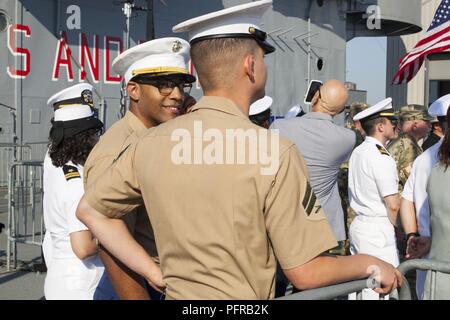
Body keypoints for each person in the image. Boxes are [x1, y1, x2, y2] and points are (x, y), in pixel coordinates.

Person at [77, 0, 401, 300]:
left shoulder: (148, 144)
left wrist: (153, 271)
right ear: (250, 66)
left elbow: (91, 211)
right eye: (262, 57)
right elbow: (306, 272)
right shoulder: (275, 152)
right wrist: (370, 263)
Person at [83, 38, 195, 300]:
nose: (177, 94)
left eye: (180, 84)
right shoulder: (117, 151)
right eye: (164, 85)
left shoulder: (157, 137)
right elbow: (111, 245)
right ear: (133, 90)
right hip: (136, 287)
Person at [43, 83, 116, 300]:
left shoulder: (54, 161)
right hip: (82, 286)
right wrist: (120, 237)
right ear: (85, 137)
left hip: (60, 280)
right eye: (94, 133)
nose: (98, 139)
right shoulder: (76, 184)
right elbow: (83, 247)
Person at [271, 79, 355, 245]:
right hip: (323, 226)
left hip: (287, 220)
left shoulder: (278, 127)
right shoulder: (347, 138)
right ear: (340, 111)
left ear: (316, 96)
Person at [348, 98, 401, 300]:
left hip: (360, 224)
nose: (395, 125)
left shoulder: (359, 151)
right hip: (378, 230)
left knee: (359, 287)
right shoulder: (381, 156)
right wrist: (401, 229)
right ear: (380, 126)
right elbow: (393, 205)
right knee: (383, 288)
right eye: (391, 121)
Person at [401, 94, 450, 299]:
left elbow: (406, 201)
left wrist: (412, 235)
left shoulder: (425, 159)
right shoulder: (433, 161)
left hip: (428, 256)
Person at [387, 104, 432, 192]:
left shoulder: (402, 142)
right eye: (427, 121)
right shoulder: (408, 147)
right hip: (402, 202)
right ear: (415, 125)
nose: (430, 125)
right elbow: (414, 182)